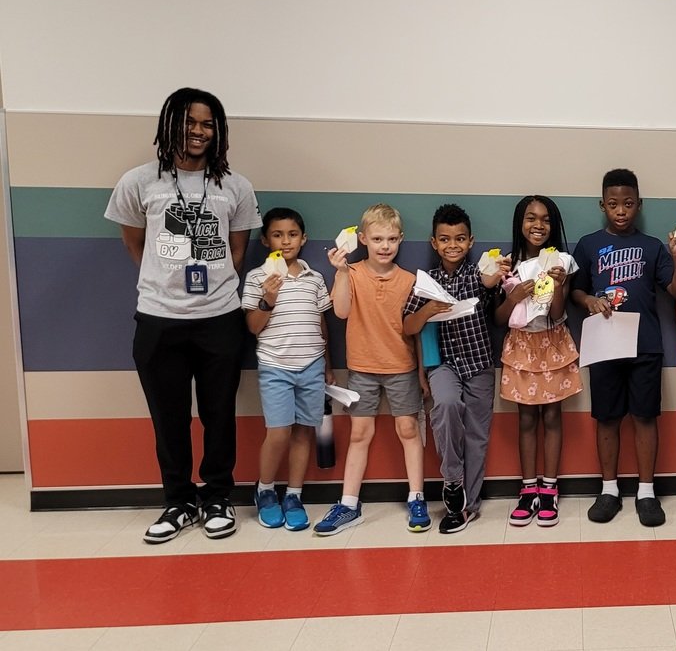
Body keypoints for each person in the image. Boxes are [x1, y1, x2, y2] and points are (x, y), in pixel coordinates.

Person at [104, 87, 262, 543]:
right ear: (170, 125)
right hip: (158, 319)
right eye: (189, 122)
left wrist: (209, 287)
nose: (198, 131)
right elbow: (134, 244)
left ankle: (217, 497)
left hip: (220, 319)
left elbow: (237, 253)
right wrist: (167, 281)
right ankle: (178, 501)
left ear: (218, 131)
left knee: (219, 415)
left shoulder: (236, 186)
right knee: (168, 418)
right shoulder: (138, 181)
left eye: (207, 124)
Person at [571, 169, 676, 527]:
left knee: (644, 417)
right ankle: (609, 490)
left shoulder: (652, 246)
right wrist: (588, 300)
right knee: (606, 417)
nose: (620, 211)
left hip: (645, 345)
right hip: (604, 344)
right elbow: (575, 290)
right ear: (602, 205)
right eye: (613, 204)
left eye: (628, 203)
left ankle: (646, 493)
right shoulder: (588, 245)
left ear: (639, 204)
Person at [314, 204, 431, 535]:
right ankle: (349, 504)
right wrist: (340, 272)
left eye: (391, 239)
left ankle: (417, 497)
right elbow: (340, 311)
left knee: (409, 429)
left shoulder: (410, 280)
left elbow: (417, 331)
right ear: (363, 239)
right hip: (362, 369)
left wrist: (421, 372)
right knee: (360, 434)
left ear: (401, 239)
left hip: (402, 367)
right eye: (377, 239)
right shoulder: (351, 273)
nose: (385, 245)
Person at [402, 204, 508, 534]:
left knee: (476, 435)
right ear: (434, 242)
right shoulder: (427, 281)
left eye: (460, 239)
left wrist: (493, 280)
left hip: (479, 364)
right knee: (446, 407)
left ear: (470, 241)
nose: (453, 245)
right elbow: (408, 326)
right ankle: (452, 482)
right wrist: (429, 310)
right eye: (445, 239)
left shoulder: (478, 275)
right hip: (443, 366)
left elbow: (491, 292)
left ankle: (467, 507)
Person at [242, 208, 332, 531]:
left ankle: (294, 495)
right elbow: (253, 326)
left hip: (312, 365)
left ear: (303, 238)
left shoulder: (314, 278)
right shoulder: (257, 278)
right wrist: (268, 298)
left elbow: (322, 323)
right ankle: (265, 490)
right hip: (275, 366)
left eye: (292, 234)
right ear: (266, 240)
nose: (286, 241)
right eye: (277, 235)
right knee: (278, 432)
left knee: (304, 432)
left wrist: (327, 365)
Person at [495, 196, 582, 527]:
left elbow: (558, 313)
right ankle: (528, 489)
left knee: (553, 416)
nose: (538, 225)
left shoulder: (562, 261)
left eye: (546, 219)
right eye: (531, 218)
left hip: (552, 342)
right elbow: (499, 318)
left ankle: (550, 489)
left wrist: (558, 285)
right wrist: (513, 297)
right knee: (527, 419)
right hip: (521, 345)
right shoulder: (507, 265)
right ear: (520, 223)